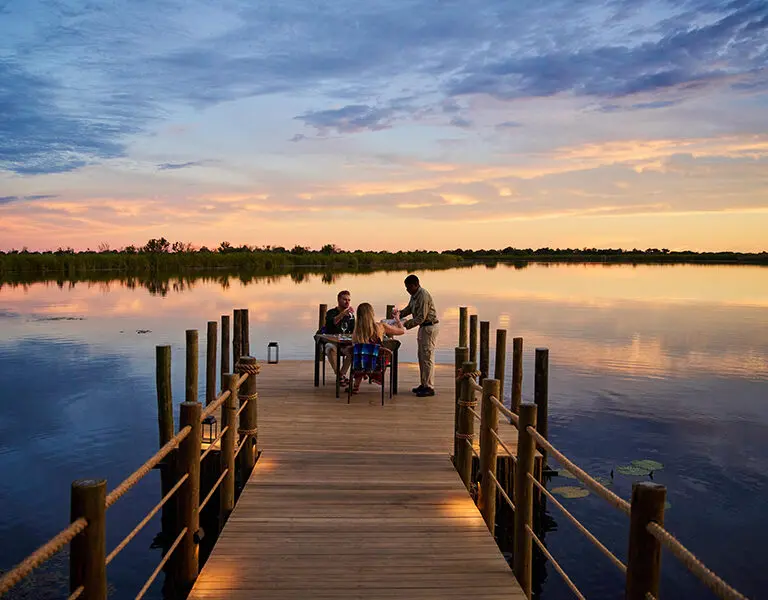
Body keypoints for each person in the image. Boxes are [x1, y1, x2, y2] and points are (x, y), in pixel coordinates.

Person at [393, 274, 439, 397]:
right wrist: (399, 314)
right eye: (406, 288)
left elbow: (421, 317)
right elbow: (409, 309)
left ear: (415, 285)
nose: (407, 290)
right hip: (423, 328)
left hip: (429, 327)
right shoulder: (414, 295)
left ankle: (429, 387)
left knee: (427, 357)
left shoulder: (423, 295)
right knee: (421, 356)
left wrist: (404, 324)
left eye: (408, 287)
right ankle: (424, 384)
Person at [348, 302, 404, 393]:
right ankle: (370, 375)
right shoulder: (380, 326)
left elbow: (355, 347)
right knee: (378, 352)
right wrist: (397, 319)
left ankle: (356, 385)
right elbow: (401, 331)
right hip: (377, 362)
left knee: (360, 353)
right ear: (372, 314)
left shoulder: (357, 331)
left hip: (361, 363)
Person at [324, 290, 355, 384]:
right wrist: (342, 314)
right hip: (333, 343)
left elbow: (353, 331)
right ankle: (339, 375)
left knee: (353, 350)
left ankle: (341, 374)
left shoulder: (350, 315)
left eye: (349, 300)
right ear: (338, 300)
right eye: (344, 299)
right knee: (329, 348)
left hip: (345, 344)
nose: (347, 302)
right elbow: (331, 324)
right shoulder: (331, 312)